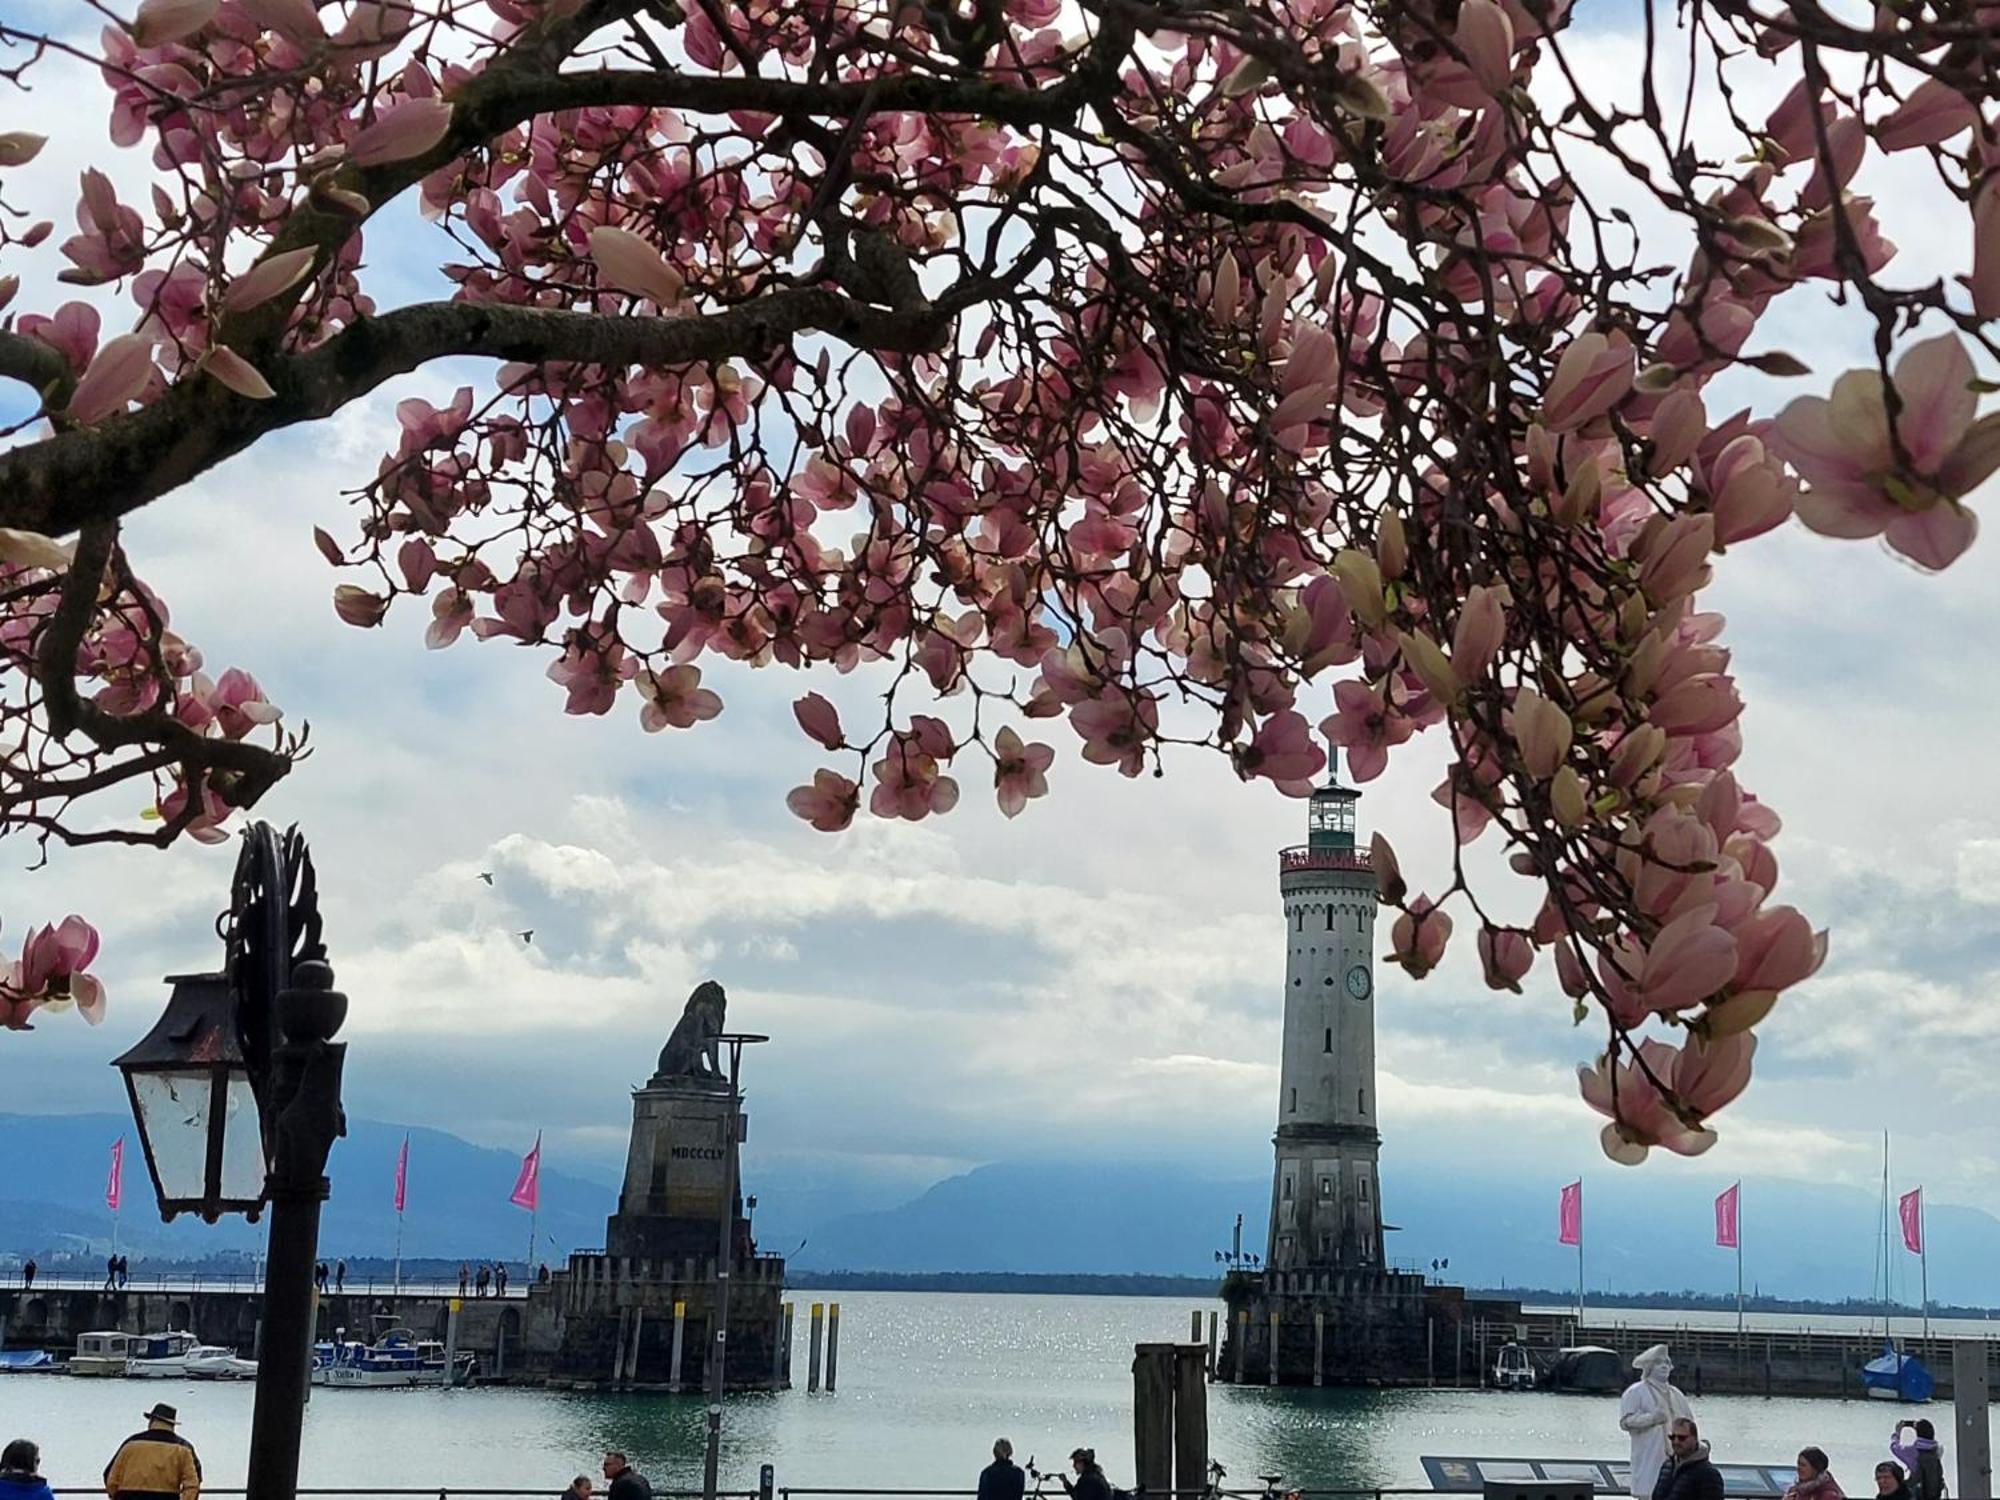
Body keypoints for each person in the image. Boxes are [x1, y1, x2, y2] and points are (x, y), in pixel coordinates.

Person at [1620, 1345, 1693, 1500]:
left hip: (1677, 1457)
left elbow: (1690, 1423)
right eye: (1659, 1363)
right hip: (1649, 1453)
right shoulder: (1636, 1391)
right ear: (1650, 1367)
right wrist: (1652, 1418)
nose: (1664, 1367)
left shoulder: (1677, 1394)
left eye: (1667, 1363)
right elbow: (1625, 1422)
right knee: (1650, 1490)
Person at [105, 1403, 201, 1500]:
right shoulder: (183, 1448)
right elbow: (192, 1485)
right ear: (172, 1425)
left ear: (151, 1421)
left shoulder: (130, 1444)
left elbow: (110, 1479)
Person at [1654, 1419, 1723, 1500]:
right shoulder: (1667, 1466)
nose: (1676, 1442)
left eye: (1681, 1438)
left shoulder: (1709, 1474)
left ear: (1694, 1439)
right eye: (1672, 1437)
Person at [1891, 1421, 1946, 1500]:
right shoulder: (1936, 1450)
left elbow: (1894, 1447)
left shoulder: (1913, 1452)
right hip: (1934, 1495)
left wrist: (1897, 1433)